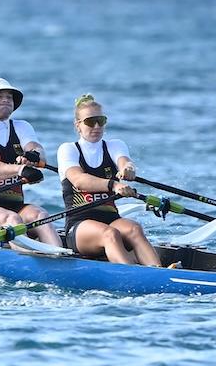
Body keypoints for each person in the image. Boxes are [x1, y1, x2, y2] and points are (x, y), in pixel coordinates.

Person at [56, 94, 161, 266]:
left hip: (111, 219)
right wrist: (113, 185)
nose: (97, 126)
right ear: (78, 125)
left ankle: (158, 272)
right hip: (79, 225)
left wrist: (128, 169)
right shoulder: (68, 149)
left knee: (134, 228)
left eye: (101, 120)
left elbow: (124, 161)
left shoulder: (114, 145)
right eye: (90, 122)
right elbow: (79, 180)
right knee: (110, 234)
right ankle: (131, 273)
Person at [0, 78, 63, 247]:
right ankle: (26, 259)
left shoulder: (22, 127)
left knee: (41, 215)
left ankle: (59, 256)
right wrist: (20, 169)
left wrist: (33, 155)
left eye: (9, 96)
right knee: (12, 219)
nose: (6, 100)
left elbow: (37, 150)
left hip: (15, 206)